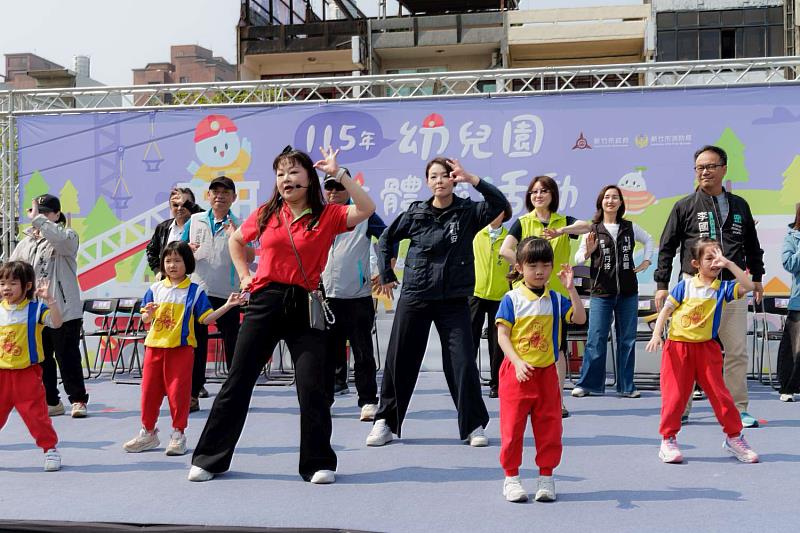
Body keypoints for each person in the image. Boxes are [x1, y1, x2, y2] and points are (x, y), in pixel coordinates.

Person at [188, 145, 374, 484]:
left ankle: (318, 463)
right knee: (238, 379)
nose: (285, 179)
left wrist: (339, 172)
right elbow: (236, 241)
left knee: (312, 386)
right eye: (280, 174)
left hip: (306, 302)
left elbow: (366, 208)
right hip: (265, 300)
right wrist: (245, 276)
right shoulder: (267, 213)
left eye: (293, 172)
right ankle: (209, 459)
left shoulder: (328, 214)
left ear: (309, 178)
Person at [366, 157, 510, 448]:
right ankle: (385, 421)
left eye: (445, 176)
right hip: (416, 295)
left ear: (453, 180)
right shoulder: (416, 213)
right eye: (433, 176)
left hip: (454, 299)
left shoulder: (468, 211)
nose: (439, 181)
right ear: (427, 182)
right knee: (399, 359)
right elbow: (385, 239)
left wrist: (474, 180)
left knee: (463, 362)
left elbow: (500, 206)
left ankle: (473, 425)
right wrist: (386, 272)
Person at [655, 145, 764, 428]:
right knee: (687, 352)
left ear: (724, 169)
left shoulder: (740, 205)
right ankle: (682, 408)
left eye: (711, 166)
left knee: (737, 351)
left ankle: (738, 408)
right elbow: (667, 247)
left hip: (731, 290)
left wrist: (759, 279)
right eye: (700, 167)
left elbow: (752, 246)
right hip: (694, 293)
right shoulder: (685, 206)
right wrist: (661, 284)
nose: (705, 172)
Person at [122, 242, 244, 456]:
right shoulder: (154, 289)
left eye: (177, 260)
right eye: (168, 260)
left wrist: (227, 306)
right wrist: (148, 315)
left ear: (187, 263)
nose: (172, 265)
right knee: (149, 393)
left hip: (181, 349)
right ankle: (148, 433)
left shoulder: (195, 292)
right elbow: (144, 319)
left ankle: (178, 434)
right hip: (154, 349)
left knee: (179, 395)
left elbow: (206, 319)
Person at [646, 239, 759, 464]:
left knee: (721, 396)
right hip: (677, 349)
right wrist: (656, 335)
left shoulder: (723, 288)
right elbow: (666, 312)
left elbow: (748, 285)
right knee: (675, 397)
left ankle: (734, 438)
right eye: (710, 258)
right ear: (696, 263)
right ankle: (668, 440)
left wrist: (729, 264)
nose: (715, 263)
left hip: (707, 349)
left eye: (718, 257)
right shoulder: (684, 286)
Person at [496, 238, 585, 502]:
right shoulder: (511, 299)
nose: (540, 271)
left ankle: (546, 476)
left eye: (546, 265)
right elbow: (502, 336)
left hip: (546, 376)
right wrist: (517, 361)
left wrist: (571, 290)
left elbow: (580, 318)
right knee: (512, 430)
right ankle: (511, 478)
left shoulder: (557, 300)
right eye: (532, 265)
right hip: (517, 374)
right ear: (520, 267)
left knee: (550, 429)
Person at [499, 176, 590, 418]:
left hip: (557, 295)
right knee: (524, 343)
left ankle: (557, 400)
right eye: (533, 192)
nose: (538, 195)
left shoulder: (562, 221)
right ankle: (526, 396)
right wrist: (523, 266)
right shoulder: (522, 222)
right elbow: (504, 249)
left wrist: (561, 231)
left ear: (552, 195)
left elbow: (588, 227)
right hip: (527, 296)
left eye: (543, 191)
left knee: (557, 348)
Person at [571, 185, 654, 398]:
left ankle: (627, 386)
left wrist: (647, 260)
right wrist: (588, 251)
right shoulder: (592, 229)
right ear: (601, 202)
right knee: (596, 337)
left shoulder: (630, 227)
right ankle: (587, 384)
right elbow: (578, 259)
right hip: (601, 291)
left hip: (628, 292)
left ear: (620, 203)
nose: (610, 201)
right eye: (607, 197)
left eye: (615, 197)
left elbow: (649, 240)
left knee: (627, 339)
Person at [11, 194, 88, 418]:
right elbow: (13, 270)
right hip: (36, 310)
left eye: (45, 213)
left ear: (56, 215)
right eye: (37, 212)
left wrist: (40, 222)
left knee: (68, 356)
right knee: (41, 358)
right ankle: (51, 400)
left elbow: (60, 240)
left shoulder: (66, 236)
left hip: (63, 308)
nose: (40, 217)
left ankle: (78, 400)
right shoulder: (25, 243)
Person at [320, 172, 389, 421]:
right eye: (330, 187)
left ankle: (368, 400)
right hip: (325, 295)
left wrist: (384, 270)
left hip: (357, 295)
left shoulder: (363, 215)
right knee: (325, 353)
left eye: (339, 187)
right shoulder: (317, 214)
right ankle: (324, 400)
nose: (334, 192)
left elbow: (387, 238)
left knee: (362, 352)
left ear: (349, 188)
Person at [183, 176, 249, 412]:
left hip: (228, 294)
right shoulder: (194, 220)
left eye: (225, 192)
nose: (219, 196)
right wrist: (186, 250)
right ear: (208, 196)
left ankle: (234, 395)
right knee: (196, 344)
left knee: (233, 345)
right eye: (215, 192)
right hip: (199, 291)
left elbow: (250, 257)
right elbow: (180, 254)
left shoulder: (241, 224)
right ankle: (192, 394)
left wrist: (236, 237)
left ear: (233, 197)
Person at [0, 261, 63, 471]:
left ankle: (50, 450)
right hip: (1, 374)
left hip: (27, 374)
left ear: (27, 286)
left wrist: (51, 300)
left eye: (12, 283)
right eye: (2, 283)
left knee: (36, 416)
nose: (6, 288)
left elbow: (57, 323)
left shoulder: (35, 309)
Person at [470, 205, 513, 398]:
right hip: (475, 293)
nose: (492, 215)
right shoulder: (475, 234)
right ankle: (468, 382)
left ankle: (497, 383)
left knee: (498, 343)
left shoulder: (510, 237)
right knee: (469, 340)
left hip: (500, 296)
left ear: (505, 215)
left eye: (497, 211)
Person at [146, 187, 203, 278]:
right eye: (176, 205)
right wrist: (157, 271)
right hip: (169, 285)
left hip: (195, 284)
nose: (180, 208)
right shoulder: (162, 228)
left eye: (184, 204)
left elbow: (210, 216)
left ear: (192, 205)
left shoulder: (203, 225)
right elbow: (151, 251)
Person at [778, 204, 800, 402]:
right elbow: (789, 264)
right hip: (798, 301)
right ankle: (788, 387)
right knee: (794, 347)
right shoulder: (792, 237)